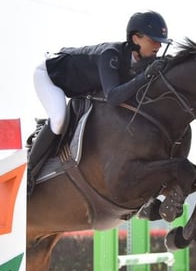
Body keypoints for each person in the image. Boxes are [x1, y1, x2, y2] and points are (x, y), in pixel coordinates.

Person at [28, 10, 171, 183]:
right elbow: (113, 97)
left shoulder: (141, 61)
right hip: (50, 75)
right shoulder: (111, 55)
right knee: (58, 120)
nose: (158, 46)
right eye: (154, 40)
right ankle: (29, 172)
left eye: (161, 42)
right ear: (136, 38)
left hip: (79, 89)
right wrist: (146, 75)